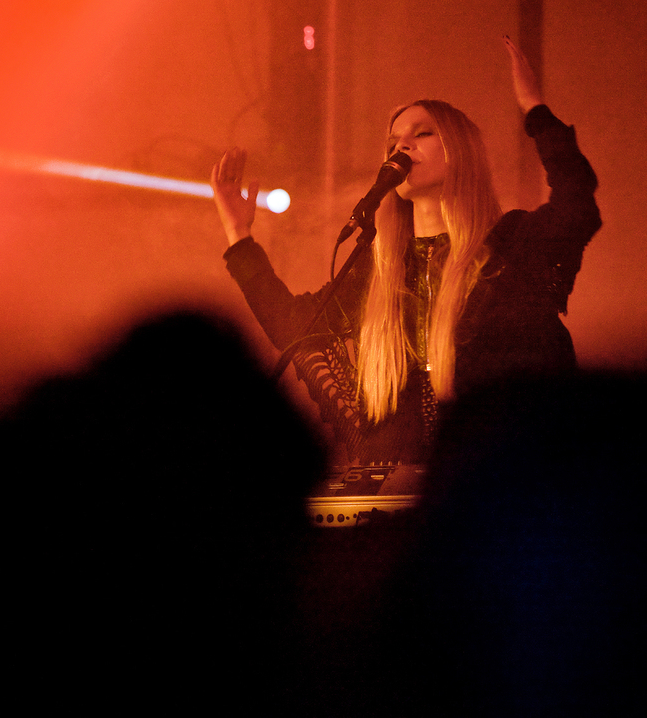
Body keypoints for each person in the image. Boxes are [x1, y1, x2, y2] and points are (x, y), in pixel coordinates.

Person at [211, 37, 601, 465]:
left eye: (422, 133)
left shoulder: (511, 247)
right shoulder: (379, 271)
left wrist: (535, 110)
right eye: (394, 140)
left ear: (460, 152)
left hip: (503, 477)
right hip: (404, 494)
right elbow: (292, 327)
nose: (403, 146)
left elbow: (577, 204)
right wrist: (238, 234)